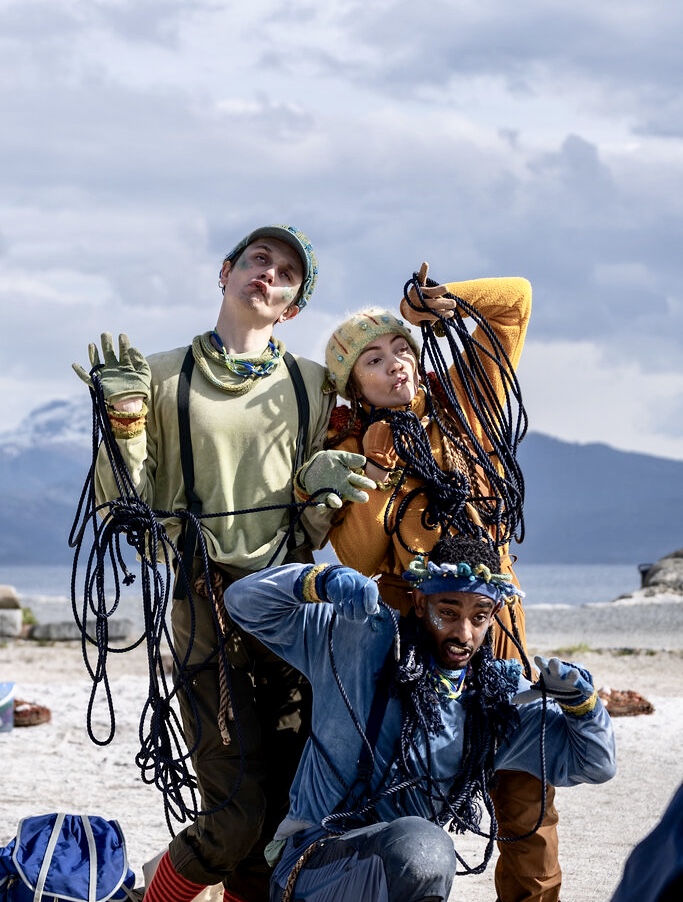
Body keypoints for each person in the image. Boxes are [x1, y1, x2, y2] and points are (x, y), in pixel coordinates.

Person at [73, 224, 374, 902]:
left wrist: (314, 488)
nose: (268, 274)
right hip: (201, 599)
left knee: (284, 816)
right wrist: (123, 422)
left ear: (292, 308)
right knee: (235, 817)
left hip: (292, 601)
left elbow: (320, 517)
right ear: (225, 272)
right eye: (258, 259)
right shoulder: (154, 374)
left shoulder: (312, 384)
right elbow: (125, 505)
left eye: (287, 274)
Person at [320, 271, 563, 900]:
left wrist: (441, 301)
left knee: (526, 791)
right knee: (411, 792)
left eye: (401, 347)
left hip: (497, 629)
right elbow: (359, 558)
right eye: (373, 359)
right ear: (353, 386)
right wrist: (377, 467)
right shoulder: (349, 451)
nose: (395, 363)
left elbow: (515, 302)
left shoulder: (463, 403)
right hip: (421, 647)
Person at [225, 533, 617, 902]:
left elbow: (596, 764)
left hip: (407, 870)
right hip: (314, 868)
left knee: (424, 851)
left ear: (495, 614)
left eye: (479, 617)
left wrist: (582, 706)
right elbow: (242, 601)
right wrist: (318, 580)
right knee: (423, 849)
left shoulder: (496, 703)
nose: (463, 633)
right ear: (419, 602)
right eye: (448, 612)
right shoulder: (357, 638)